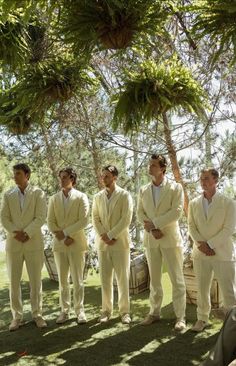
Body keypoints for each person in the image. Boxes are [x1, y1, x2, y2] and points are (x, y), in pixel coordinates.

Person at [137, 154, 186, 331]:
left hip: (171, 240)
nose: (150, 167)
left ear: (163, 168)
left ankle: (180, 317)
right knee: (154, 280)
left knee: (177, 279)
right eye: (149, 165)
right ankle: (154, 313)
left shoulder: (175, 188)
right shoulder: (143, 189)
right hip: (151, 240)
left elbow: (177, 212)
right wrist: (151, 229)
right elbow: (140, 213)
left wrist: (155, 224)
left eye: (154, 165)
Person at [188, 168, 236, 332]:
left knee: (229, 291)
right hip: (200, 253)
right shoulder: (194, 203)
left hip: (222, 253)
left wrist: (210, 245)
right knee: (202, 288)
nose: (203, 182)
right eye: (201, 179)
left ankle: (232, 324)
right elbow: (191, 227)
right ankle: (202, 319)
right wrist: (202, 245)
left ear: (216, 180)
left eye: (207, 178)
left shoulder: (228, 203)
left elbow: (229, 229)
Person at [0, 163, 47, 331]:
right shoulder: (8, 195)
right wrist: (16, 232)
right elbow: (4, 218)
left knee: (35, 281)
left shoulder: (38, 193)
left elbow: (41, 217)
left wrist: (26, 233)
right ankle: (16, 317)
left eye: (18, 173)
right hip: (13, 244)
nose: (15, 176)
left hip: (33, 243)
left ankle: (37, 314)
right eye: (14, 174)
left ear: (27, 175)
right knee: (14, 282)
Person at [47, 168, 89, 325]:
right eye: (60, 177)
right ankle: (64, 311)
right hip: (60, 245)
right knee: (63, 281)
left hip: (76, 243)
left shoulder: (81, 197)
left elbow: (84, 220)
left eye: (65, 177)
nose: (62, 180)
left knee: (78, 280)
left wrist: (65, 233)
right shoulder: (53, 199)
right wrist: (62, 237)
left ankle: (80, 311)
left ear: (72, 179)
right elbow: (50, 221)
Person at [92, 165, 133, 324]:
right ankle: (106, 311)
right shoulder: (97, 197)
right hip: (103, 244)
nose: (104, 179)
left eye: (107, 176)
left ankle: (124, 312)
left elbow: (126, 219)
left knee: (123, 279)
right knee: (105, 279)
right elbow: (95, 218)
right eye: (103, 176)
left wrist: (111, 235)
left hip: (120, 243)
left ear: (115, 177)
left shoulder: (125, 195)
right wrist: (104, 235)